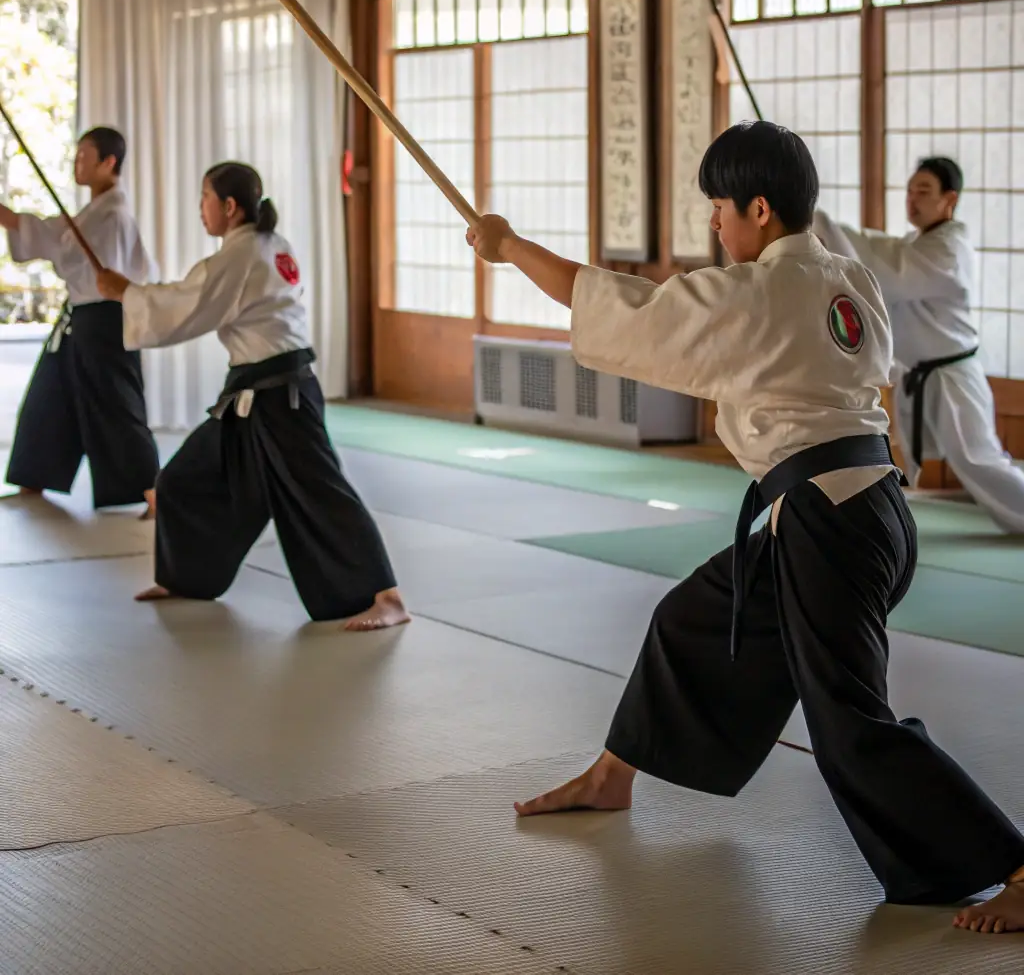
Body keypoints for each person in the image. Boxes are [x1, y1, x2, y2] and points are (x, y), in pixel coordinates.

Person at [466, 122, 1024, 936]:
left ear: (759, 209)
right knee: (694, 618)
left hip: (828, 522)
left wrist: (510, 244)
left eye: (719, 209)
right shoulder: (847, 276)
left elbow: (617, 303)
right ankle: (614, 771)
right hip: (862, 509)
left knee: (850, 724)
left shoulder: (755, 292)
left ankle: (1014, 864)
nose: (715, 227)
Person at [96, 161, 408, 632]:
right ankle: (187, 578)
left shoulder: (239, 256)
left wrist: (127, 294)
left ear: (228, 205)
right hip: (250, 394)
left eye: (204, 197)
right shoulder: (269, 246)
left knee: (322, 492)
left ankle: (388, 598)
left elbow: (185, 305)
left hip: (282, 397)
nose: (199, 208)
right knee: (180, 480)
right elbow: (191, 296)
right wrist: (136, 295)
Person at [813, 158, 1024, 534]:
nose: (912, 200)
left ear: (950, 199)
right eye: (909, 191)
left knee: (979, 460)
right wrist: (819, 225)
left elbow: (891, 268)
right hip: (925, 374)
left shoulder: (948, 248)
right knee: (909, 458)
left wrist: (823, 223)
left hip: (953, 376)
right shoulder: (920, 242)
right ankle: (884, 525)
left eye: (924, 191)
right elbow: (885, 251)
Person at [1, 126, 158, 512]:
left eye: (85, 156)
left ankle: (153, 493)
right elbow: (57, 234)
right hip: (79, 319)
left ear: (109, 163)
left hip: (107, 321)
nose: (77, 163)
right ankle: (33, 480)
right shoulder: (94, 213)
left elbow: (73, 252)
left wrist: (30, 229)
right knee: (49, 397)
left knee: (116, 405)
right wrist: (12, 220)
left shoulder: (114, 216)